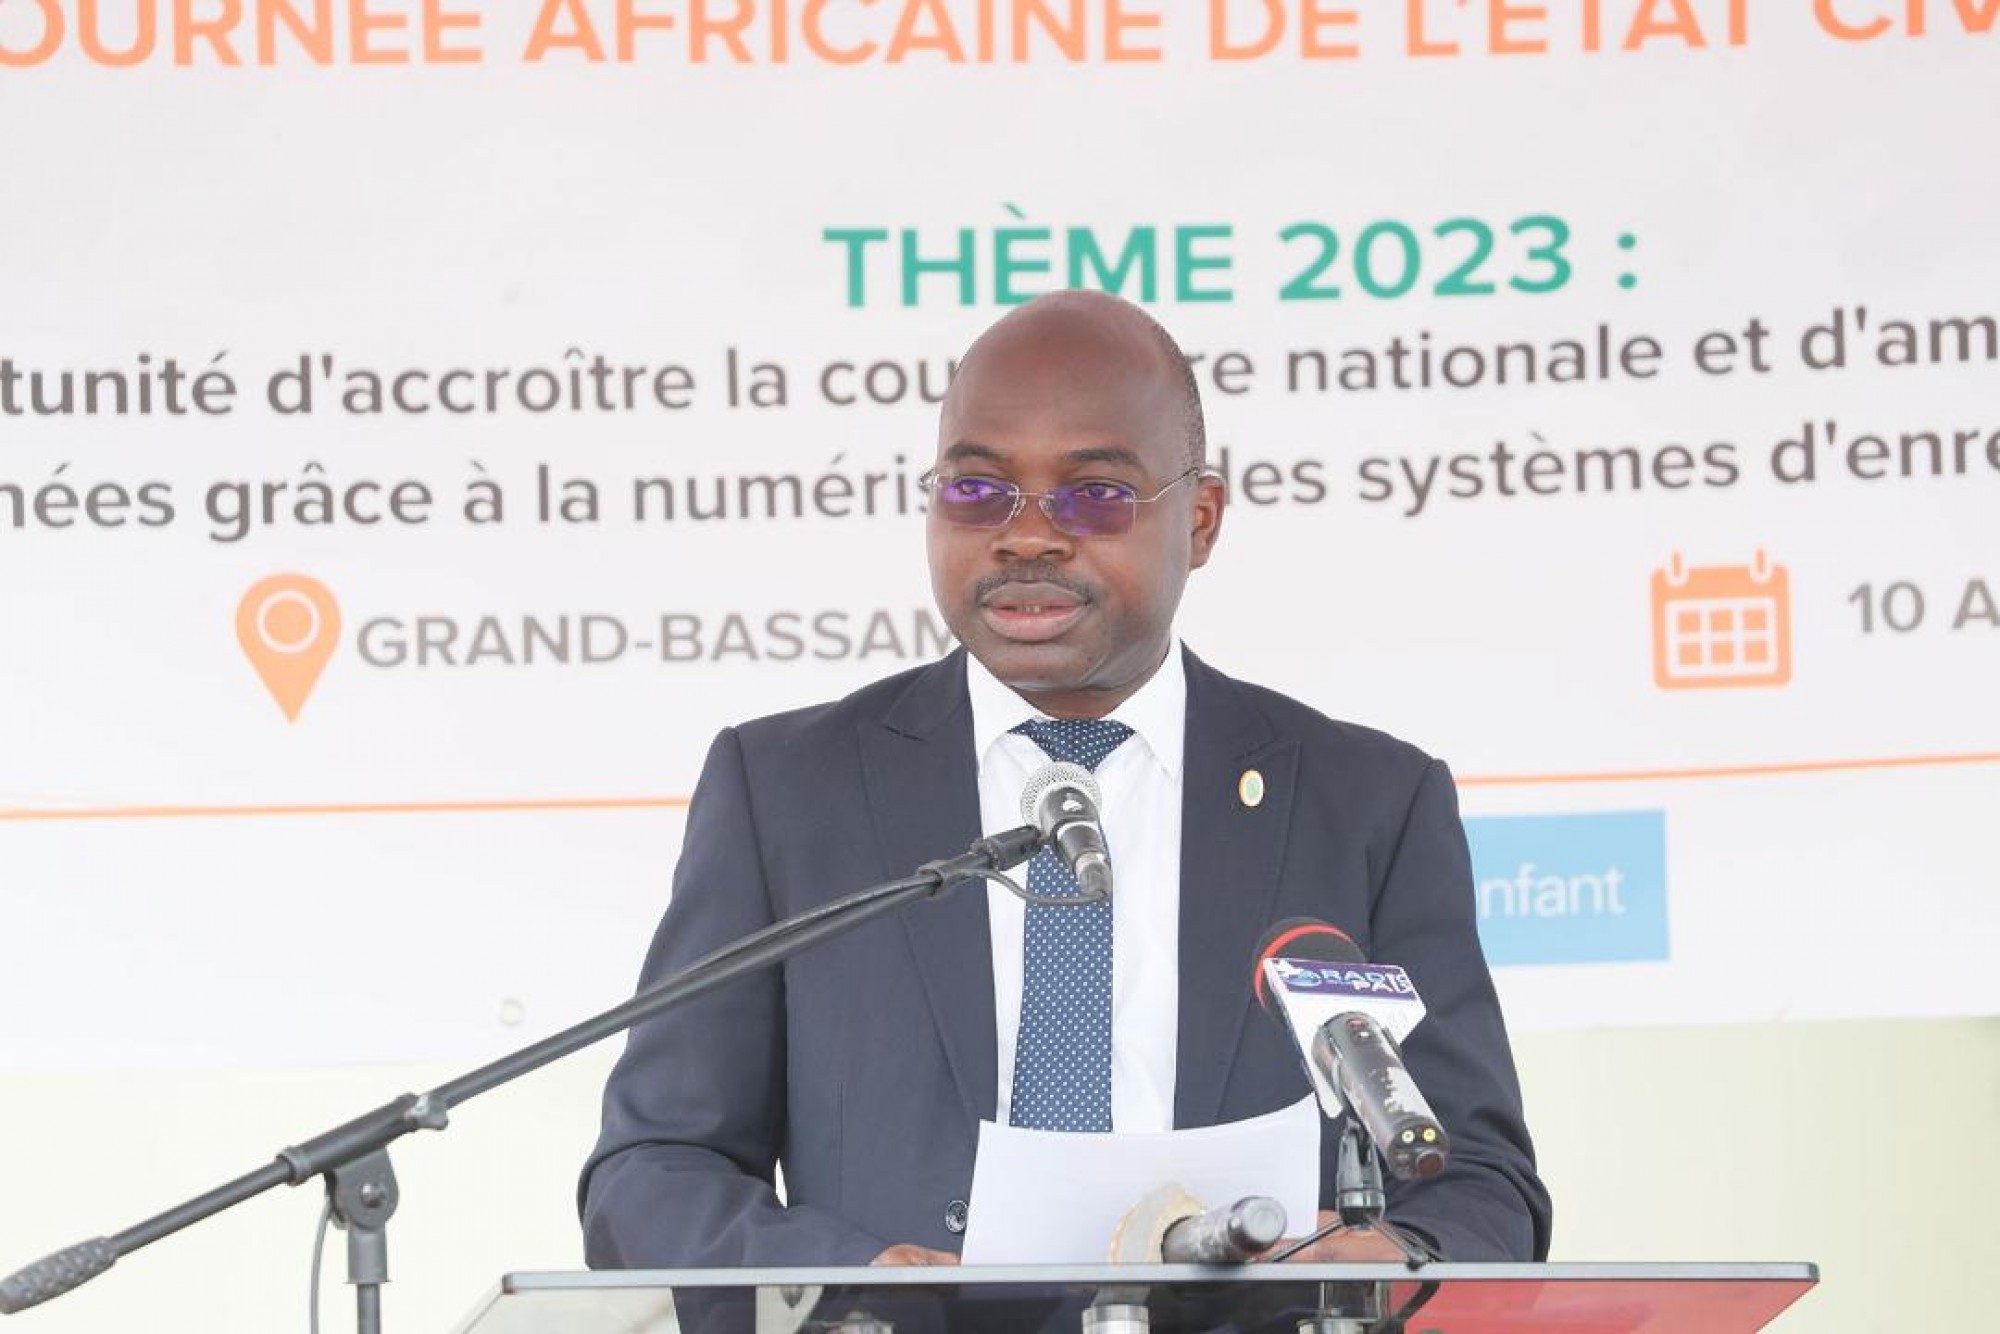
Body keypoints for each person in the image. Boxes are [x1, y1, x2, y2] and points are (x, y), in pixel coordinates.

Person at [580, 290, 1551, 1268]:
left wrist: (1393, 1256)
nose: (1027, 536)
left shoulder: (1367, 803)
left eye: (1094, 495)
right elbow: (656, 1168)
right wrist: (848, 1283)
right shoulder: (788, 791)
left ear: (1201, 520)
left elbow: (1474, 1180)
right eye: (977, 490)